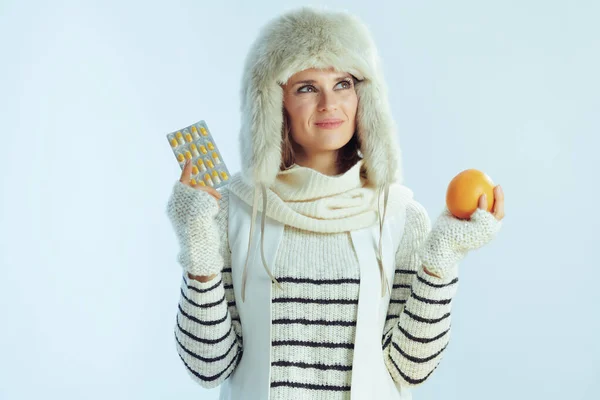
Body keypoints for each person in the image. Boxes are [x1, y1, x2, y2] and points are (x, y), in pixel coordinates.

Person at [166, 6, 504, 400]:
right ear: (276, 105)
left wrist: (443, 256)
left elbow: (409, 370)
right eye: (307, 87)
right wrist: (198, 250)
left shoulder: (399, 215)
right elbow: (208, 367)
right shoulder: (230, 210)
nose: (330, 103)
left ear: (363, 97)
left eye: (343, 83)